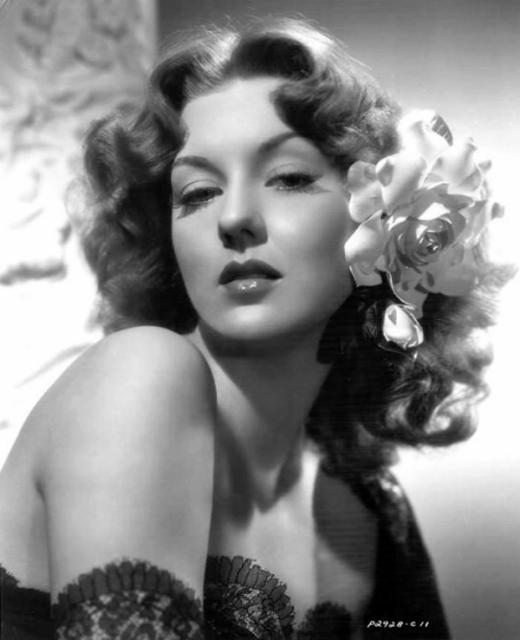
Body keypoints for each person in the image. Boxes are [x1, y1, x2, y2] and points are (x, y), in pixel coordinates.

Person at [0, 17, 507, 640]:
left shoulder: (366, 507)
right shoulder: (138, 377)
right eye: (198, 193)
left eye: (289, 178)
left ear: (385, 223)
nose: (234, 218)